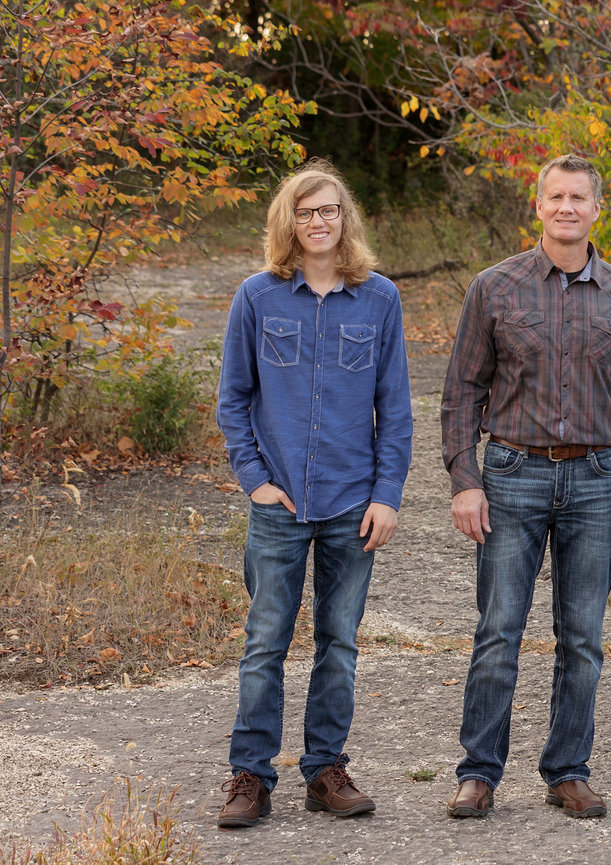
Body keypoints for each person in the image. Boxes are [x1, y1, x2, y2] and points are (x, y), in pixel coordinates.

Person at [440, 153, 611, 819]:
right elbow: (462, 391)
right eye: (555, 197)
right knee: (499, 628)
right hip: (512, 472)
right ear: (537, 205)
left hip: (597, 479)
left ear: (598, 209)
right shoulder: (495, 287)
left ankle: (567, 768)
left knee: (583, 636)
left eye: (579, 198)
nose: (567, 207)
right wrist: (464, 479)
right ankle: (479, 771)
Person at [214, 159, 413, 827]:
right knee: (265, 641)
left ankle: (325, 767)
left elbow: (396, 407)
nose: (319, 221)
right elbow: (234, 398)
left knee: (339, 639)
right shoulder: (257, 297)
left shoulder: (380, 297)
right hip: (281, 506)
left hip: (353, 503)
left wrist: (387, 493)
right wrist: (256, 482)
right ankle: (251, 775)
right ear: (288, 223)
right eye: (306, 212)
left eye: (328, 210)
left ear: (343, 218)